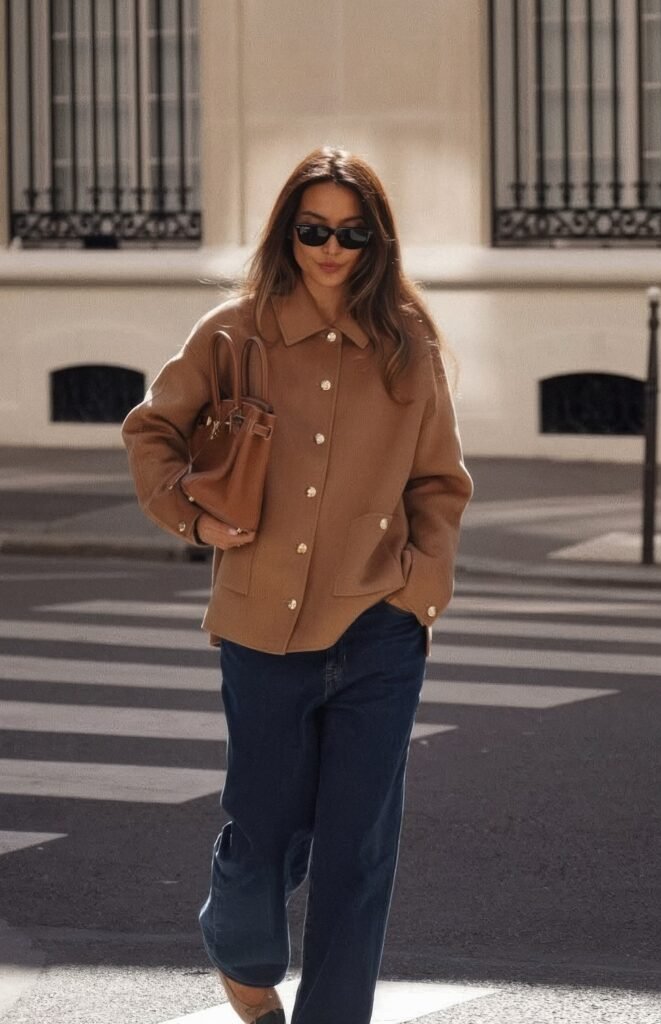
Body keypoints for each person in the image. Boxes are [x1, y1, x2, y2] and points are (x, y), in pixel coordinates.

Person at [121, 146, 473, 1024]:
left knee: (359, 853)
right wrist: (194, 522)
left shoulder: (407, 344)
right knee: (264, 831)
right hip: (261, 630)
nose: (330, 247)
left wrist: (418, 594)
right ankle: (239, 951)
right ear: (288, 231)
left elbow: (438, 484)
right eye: (313, 228)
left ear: (374, 242)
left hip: (379, 631)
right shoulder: (232, 333)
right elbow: (150, 429)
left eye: (350, 233)